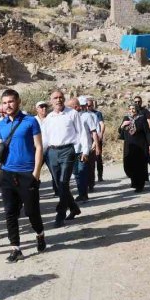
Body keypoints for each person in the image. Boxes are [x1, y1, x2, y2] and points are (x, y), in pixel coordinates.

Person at [0, 89, 46, 262]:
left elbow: (39, 147)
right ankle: (15, 248)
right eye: (5, 102)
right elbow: (1, 148)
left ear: (18, 102)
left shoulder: (30, 121)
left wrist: (36, 173)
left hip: (27, 174)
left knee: (32, 212)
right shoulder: (0, 124)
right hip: (8, 173)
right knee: (10, 212)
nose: (8, 105)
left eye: (11, 101)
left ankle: (40, 233)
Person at [41, 90, 87, 227]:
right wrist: (39, 155)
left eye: (61, 97)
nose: (58, 100)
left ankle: (60, 214)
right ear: (51, 101)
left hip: (68, 151)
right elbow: (45, 139)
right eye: (55, 98)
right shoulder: (48, 118)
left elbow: (82, 132)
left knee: (63, 183)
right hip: (52, 152)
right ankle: (73, 207)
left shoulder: (72, 114)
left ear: (64, 99)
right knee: (59, 184)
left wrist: (85, 151)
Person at [119, 102, 150, 192]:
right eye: (130, 109)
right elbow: (120, 131)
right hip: (129, 146)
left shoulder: (141, 118)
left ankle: (139, 184)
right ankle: (134, 181)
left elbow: (147, 132)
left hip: (141, 146)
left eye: (133, 109)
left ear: (137, 110)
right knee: (128, 165)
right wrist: (123, 125)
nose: (131, 111)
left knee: (140, 166)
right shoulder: (126, 118)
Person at [68, 97, 96, 201]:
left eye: (70, 107)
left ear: (75, 107)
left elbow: (92, 132)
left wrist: (93, 146)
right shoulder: (68, 117)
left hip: (82, 149)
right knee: (76, 173)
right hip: (72, 150)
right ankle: (81, 193)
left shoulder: (86, 116)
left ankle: (84, 194)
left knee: (82, 171)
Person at [78, 96, 100, 192]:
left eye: (84, 105)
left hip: (89, 145)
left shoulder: (91, 116)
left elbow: (95, 131)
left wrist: (96, 145)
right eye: (80, 105)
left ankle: (90, 185)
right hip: (78, 146)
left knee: (90, 167)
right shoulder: (74, 116)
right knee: (81, 168)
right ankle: (83, 187)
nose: (82, 107)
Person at [89, 98, 106, 183]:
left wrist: (101, 134)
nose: (89, 107)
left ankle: (100, 176)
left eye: (90, 105)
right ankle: (91, 178)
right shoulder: (82, 114)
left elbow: (102, 124)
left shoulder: (97, 114)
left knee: (98, 157)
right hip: (88, 138)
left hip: (96, 137)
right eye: (87, 105)